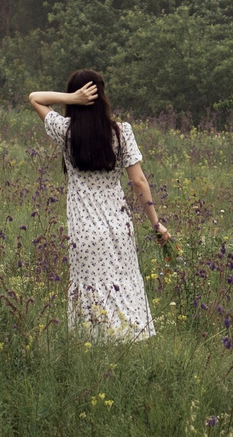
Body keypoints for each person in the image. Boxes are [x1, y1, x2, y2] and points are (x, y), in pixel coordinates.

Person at [26, 68, 170, 339]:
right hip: (118, 225)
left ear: (79, 99)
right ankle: (131, 339)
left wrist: (71, 98)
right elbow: (138, 181)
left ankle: (94, 342)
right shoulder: (121, 132)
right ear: (103, 97)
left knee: (90, 287)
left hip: (84, 228)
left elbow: (35, 97)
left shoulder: (66, 131)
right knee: (124, 285)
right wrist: (156, 223)